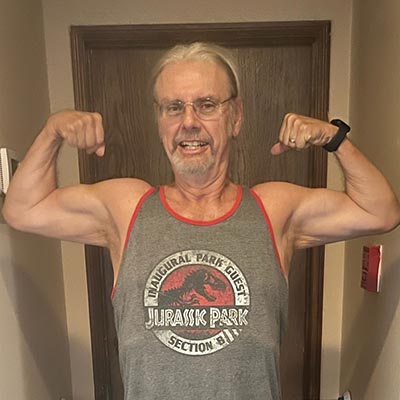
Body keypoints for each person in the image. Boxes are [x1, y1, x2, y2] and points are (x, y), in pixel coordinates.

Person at [2, 42, 399, 399]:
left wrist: (334, 139)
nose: (189, 122)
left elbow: (380, 211)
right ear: (160, 121)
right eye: (173, 107)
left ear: (235, 117)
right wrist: (52, 132)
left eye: (207, 105)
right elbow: (22, 210)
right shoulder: (126, 207)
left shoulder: (273, 208)